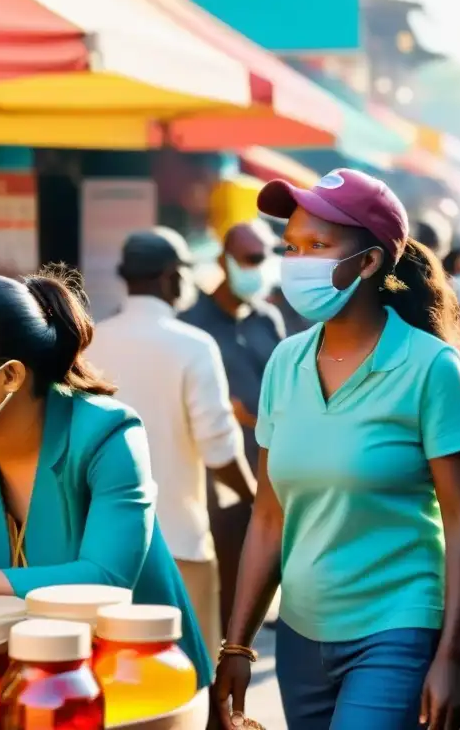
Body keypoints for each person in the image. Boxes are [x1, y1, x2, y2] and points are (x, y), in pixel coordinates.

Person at [214, 169, 460, 730]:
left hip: (397, 624)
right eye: (290, 246)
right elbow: (269, 516)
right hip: (301, 634)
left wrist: (452, 656)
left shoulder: (431, 368)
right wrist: (236, 647)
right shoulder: (284, 363)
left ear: (368, 261)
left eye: (317, 246)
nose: (295, 260)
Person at [0, 266, 214, 687]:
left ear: (11, 376)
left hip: (134, 675)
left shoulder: (108, 435)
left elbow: (104, 579)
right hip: (8, 680)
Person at [86, 228, 256, 661]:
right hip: (181, 544)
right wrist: (257, 500)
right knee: (192, 677)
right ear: (170, 277)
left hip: (98, 547)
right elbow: (218, 447)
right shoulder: (193, 346)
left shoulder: (90, 342)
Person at [180, 220, 286, 636]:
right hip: (215, 473)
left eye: (266, 258)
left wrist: (256, 417)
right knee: (222, 574)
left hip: (271, 465)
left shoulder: (267, 319)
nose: (260, 268)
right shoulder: (192, 323)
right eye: (252, 259)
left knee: (269, 565)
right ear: (224, 261)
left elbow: (286, 391)